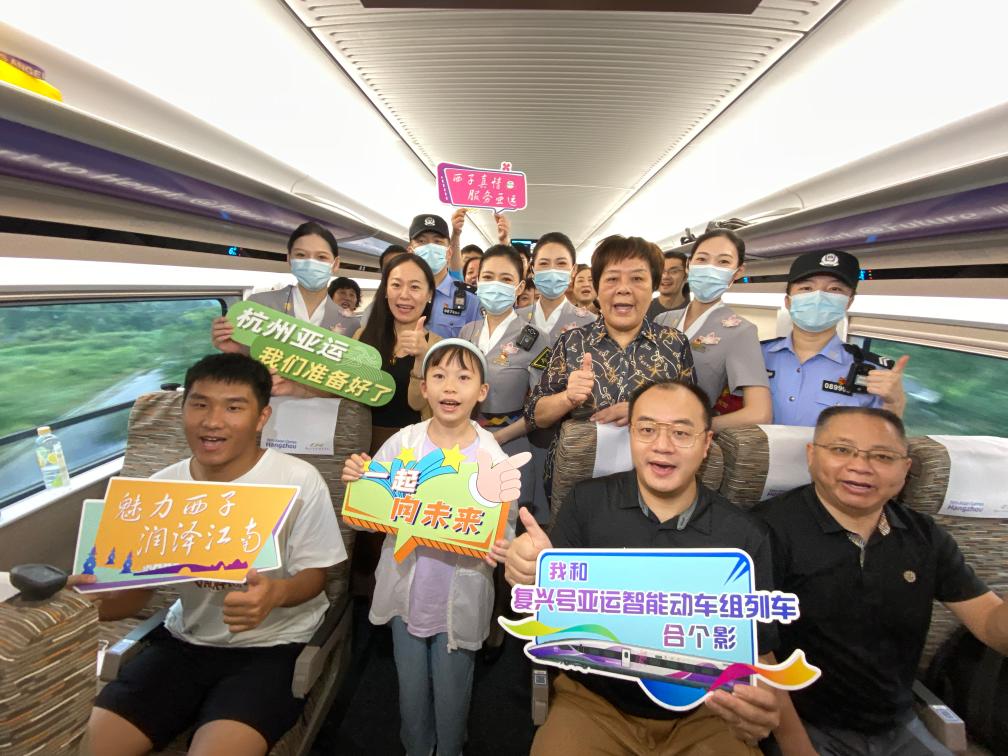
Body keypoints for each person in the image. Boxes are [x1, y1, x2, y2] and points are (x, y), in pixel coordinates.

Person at [74, 353, 346, 756]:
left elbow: (315, 575)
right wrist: (86, 603)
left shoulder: (299, 480)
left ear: (262, 417)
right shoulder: (158, 490)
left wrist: (275, 594)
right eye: (200, 404)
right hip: (182, 642)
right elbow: (134, 596)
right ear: (183, 410)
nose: (212, 421)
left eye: (233, 408)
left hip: (273, 648)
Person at [506, 380, 782, 755]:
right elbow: (548, 612)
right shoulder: (586, 503)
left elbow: (758, 650)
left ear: (706, 444)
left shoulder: (745, 537)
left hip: (706, 711)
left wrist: (761, 703)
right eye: (647, 429)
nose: (662, 445)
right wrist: (528, 572)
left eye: (681, 433)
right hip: (593, 701)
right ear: (632, 436)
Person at [756, 406, 1008, 756]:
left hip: (899, 723)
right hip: (803, 725)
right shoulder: (763, 532)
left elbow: (990, 623)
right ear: (812, 455)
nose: (860, 466)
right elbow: (758, 654)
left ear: (905, 469)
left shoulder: (924, 537)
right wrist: (796, 746)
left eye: (883, 456)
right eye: (842, 450)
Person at [341, 340, 526, 756]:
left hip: (459, 596)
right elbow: (359, 517)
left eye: (463, 377)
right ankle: (416, 747)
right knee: (409, 689)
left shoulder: (492, 456)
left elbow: (505, 531)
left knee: (453, 691)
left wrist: (501, 547)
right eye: (439, 376)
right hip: (406, 593)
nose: (450, 387)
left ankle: (450, 748)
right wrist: (357, 482)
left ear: (481, 391)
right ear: (424, 387)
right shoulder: (403, 443)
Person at [525, 234, 695, 500]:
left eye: (637, 279)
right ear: (597, 287)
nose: (623, 289)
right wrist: (567, 398)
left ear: (653, 287)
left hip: (654, 481)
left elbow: (694, 414)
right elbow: (535, 415)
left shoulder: (674, 344)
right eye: (612, 279)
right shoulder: (572, 342)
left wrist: (642, 411)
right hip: (577, 482)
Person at [761, 249, 908, 427]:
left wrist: (895, 403)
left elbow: (880, 436)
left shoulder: (874, 372)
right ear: (788, 301)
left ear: (848, 302)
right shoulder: (755, 355)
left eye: (834, 289)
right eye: (806, 288)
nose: (819, 297)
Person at [459, 245, 550, 504]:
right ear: (478, 282)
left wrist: (496, 437)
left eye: (506, 279)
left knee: (508, 519)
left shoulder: (536, 339)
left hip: (510, 442)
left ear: (519, 288)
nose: (495, 285)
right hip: (465, 440)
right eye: (488, 277)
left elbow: (540, 408)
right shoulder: (467, 332)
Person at [654, 229, 771, 430]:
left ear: (738, 272)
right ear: (689, 265)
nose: (710, 268)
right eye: (702, 259)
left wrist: (697, 428)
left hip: (688, 438)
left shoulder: (741, 331)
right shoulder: (663, 320)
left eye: (723, 262)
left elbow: (760, 413)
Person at [211, 222, 359, 353]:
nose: (310, 263)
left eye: (321, 257)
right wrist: (237, 351)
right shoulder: (258, 306)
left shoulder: (350, 324)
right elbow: (248, 363)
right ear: (289, 260)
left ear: (335, 264)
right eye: (301, 255)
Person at [356, 254, 440, 455]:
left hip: (410, 449)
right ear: (385, 290)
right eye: (396, 285)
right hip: (361, 445)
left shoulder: (438, 347)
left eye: (414, 287)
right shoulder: (362, 336)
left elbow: (417, 403)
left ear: (429, 294)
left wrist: (422, 357)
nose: (404, 295)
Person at [408, 213, 481, 338]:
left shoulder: (471, 299)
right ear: (410, 251)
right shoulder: (400, 295)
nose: (430, 247)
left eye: (437, 241)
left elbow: (477, 345)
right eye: (421, 241)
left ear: (449, 253)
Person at [517, 232, 595, 346]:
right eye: (544, 263)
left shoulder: (592, 323)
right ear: (533, 270)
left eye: (561, 263)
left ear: (573, 270)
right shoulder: (515, 319)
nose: (552, 271)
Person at [646, 250, 689, 321]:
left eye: (674, 271)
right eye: (661, 271)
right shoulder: (643, 309)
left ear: (686, 276)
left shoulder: (692, 311)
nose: (665, 276)